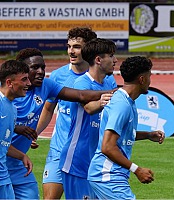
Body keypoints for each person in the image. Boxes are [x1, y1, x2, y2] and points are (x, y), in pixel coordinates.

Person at [7, 48, 113, 199]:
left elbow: (80, 95)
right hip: (4, 160)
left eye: (43, 67)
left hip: (19, 165)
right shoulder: (6, 97)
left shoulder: (46, 86)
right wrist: (16, 128)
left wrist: (116, 92)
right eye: (34, 67)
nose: (41, 71)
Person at [88, 56, 165, 199]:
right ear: (142, 79)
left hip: (109, 174)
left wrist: (148, 135)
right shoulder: (121, 105)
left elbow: (122, 136)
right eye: (149, 76)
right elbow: (107, 147)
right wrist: (137, 170)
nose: (150, 81)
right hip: (107, 175)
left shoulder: (127, 101)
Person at [35, 26, 97, 199]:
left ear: (89, 48)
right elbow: (48, 109)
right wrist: (35, 133)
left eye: (76, 46)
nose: (71, 51)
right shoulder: (57, 76)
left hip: (85, 154)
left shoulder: (103, 78)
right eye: (69, 46)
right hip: (58, 149)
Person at [59, 38, 118, 199]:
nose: (116, 60)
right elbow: (88, 108)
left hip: (97, 162)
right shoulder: (82, 83)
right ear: (98, 60)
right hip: (78, 160)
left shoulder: (108, 84)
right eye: (111, 56)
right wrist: (105, 100)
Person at [0, 60, 33, 199]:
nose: (29, 84)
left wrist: (22, 155)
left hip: (3, 177)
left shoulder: (13, 108)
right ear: (9, 83)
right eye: (24, 79)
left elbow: (3, 143)